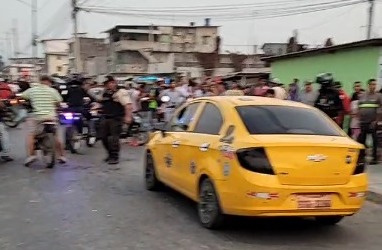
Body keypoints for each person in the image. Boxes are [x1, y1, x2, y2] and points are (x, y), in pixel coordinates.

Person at [21, 75, 67, 166]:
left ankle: (31, 155)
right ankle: (61, 156)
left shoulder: (33, 90)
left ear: (40, 81)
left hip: (38, 117)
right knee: (56, 136)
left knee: (31, 135)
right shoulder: (53, 91)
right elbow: (59, 102)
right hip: (51, 117)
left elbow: (23, 96)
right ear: (49, 82)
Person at [99, 76, 133, 165]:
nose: (108, 85)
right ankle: (109, 154)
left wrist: (128, 117)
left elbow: (128, 105)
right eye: (106, 83)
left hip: (116, 118)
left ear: (114, 83)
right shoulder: (105, 92)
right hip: (106, 117)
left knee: (114, 138)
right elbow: (102, 102)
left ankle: (114, 157)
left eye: (110, 83)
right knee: (103, 137)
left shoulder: (121, 92)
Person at [357, 79, 382, 165]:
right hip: (363, 122)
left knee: (375, 140)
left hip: (373, 122)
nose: (373, 86)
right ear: (368, 85)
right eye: (372, 84)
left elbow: (380, 109)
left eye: (375, 84)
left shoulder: (378, 96)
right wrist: (359, 119)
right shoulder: (362, 96)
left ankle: (374, 158)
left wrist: (377, 120)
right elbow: (359, 107)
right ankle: (361, 158)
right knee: (362, 140)